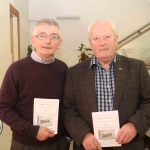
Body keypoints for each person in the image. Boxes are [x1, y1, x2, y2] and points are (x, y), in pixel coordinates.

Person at [62, 20, 150, 150]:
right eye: (96, 38)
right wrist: (83, 134)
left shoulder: (137, 67)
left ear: (116, 39)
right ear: (91, 43)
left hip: (128, 145)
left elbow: (148, 101)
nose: (102, 43)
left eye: (107, 37)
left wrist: (134, 125)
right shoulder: (74, 73)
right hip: (90, 146)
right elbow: (67, 109)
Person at [0, 18, 70, 150]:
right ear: (33, 40)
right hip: (25, 144)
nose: (47, 41)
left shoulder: (63, 69)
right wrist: (32, 131)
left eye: (53, 36)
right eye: (42, 35)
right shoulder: (17, 69)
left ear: (59, 42)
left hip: (58, 143)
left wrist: (67, 136)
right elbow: (3, 107)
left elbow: (67, 105)